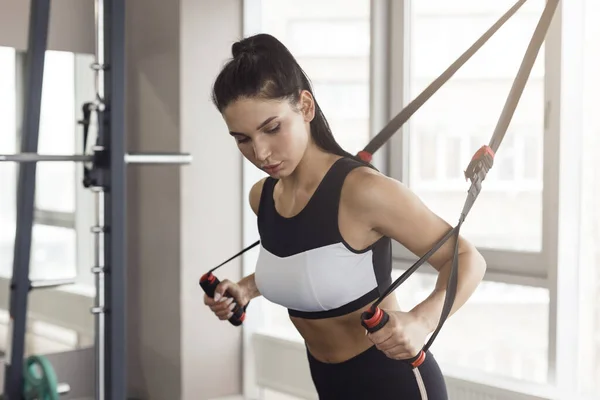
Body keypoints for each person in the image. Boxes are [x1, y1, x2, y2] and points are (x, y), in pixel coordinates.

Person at [203, 33, 487, 399]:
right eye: (242, 139)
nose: (260, 152)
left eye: (272, 128)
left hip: (394, 382)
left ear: (305, 106)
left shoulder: (363, 192)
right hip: (328, 382)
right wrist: (244, 289)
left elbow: (467, 258)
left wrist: (421, 319)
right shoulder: (263, 197)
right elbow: (311, 263)